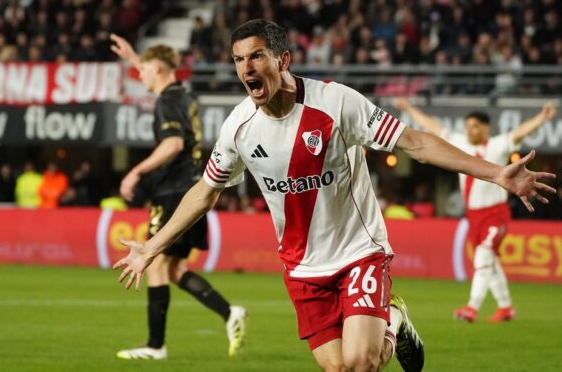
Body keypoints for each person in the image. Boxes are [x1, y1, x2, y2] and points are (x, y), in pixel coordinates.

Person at [114, 19, 556, 372]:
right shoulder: (238, 129)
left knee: (362, 364)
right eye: (238, 59)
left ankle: (386, 318)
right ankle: (395, 320)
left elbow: (415, 143)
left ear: (282, 59)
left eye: (257, 56)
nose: (246, 68)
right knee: (340, 367)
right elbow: (205, 192)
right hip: (303, 265)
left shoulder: (336, 103)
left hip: (359, 250)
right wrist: (152, 246)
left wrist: (497, 173)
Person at [110, 33, 248, 360]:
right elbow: (151, 68)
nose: (138, 74)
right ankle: (230, 312)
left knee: (154, 263)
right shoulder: (184, 96)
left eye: (143, 70)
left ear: (157, 69)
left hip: (172, 191)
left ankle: (155, 347)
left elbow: (172, 145)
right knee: (172, 269)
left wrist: (135, 172)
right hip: (191, 188)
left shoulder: (166, 102)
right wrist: (132, 55)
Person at [394, 98, 558, 322]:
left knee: (483, 256)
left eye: (474, 126)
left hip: (495, 213)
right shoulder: (461, 144)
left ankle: (472, 308)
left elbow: (519, 133)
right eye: (468, 126)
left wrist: (542, 117)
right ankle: (506, 307)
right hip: (473, 216)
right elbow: (433, 127)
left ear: (485, 128)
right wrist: (409, 109)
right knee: (489, 262)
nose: (470, 130)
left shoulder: (497, 145)